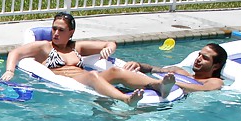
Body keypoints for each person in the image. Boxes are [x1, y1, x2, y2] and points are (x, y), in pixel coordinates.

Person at [0, 12, 146, 106]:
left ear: (71, 32)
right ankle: (126, 99)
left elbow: (110, 43)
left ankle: (158, 84)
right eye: (54, 29)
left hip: (88, 77)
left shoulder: (77, 47)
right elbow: (15, 53)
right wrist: (10, 70)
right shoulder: (44, 47)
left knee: (115, 71)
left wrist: (109, 49)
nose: (55, 33)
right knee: (93, 75)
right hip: (77, 80)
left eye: (61, 30)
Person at [96, 43, 227, 94]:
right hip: (148, 87)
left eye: (204, 58)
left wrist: (171, 84)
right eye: (199, 54)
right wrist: (139, 65)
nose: (198, 58)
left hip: (166, 97)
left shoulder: (214, 81)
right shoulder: (179, 71)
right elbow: (152, 69)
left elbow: (202, 89)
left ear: (216, 65)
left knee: (116, 73)